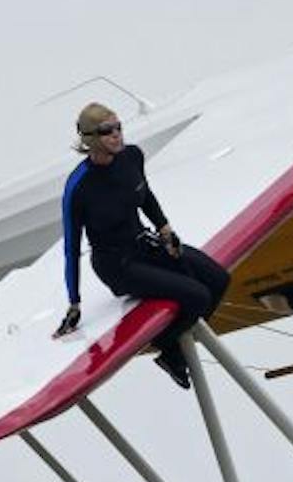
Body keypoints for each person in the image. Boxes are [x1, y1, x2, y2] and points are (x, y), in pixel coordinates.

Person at [51, 102, 231, 390]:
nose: (117, 135)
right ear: (90, 138)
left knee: (218, 279)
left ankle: (172, 352)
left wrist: (165, 228)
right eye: (108, 131)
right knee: (197, 296)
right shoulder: (78, 187)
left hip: (146, 244)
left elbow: (144, 195)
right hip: (118, 265)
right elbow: (71, 248)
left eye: (119, 127)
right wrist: (74, 303)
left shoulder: (132, 157)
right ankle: (167, 349)